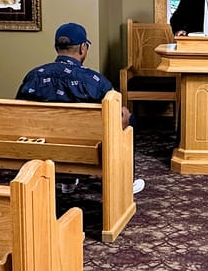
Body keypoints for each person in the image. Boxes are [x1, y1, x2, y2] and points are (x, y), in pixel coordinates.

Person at [16, 22, 145, 194]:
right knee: (128, 119)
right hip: (88, 148)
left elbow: (19, 110)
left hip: (44, 146)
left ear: (56, 47)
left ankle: (66, 179)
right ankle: (124, 180)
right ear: (83, 48)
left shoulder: (34, 76)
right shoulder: (95, 81)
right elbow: (118, 115)